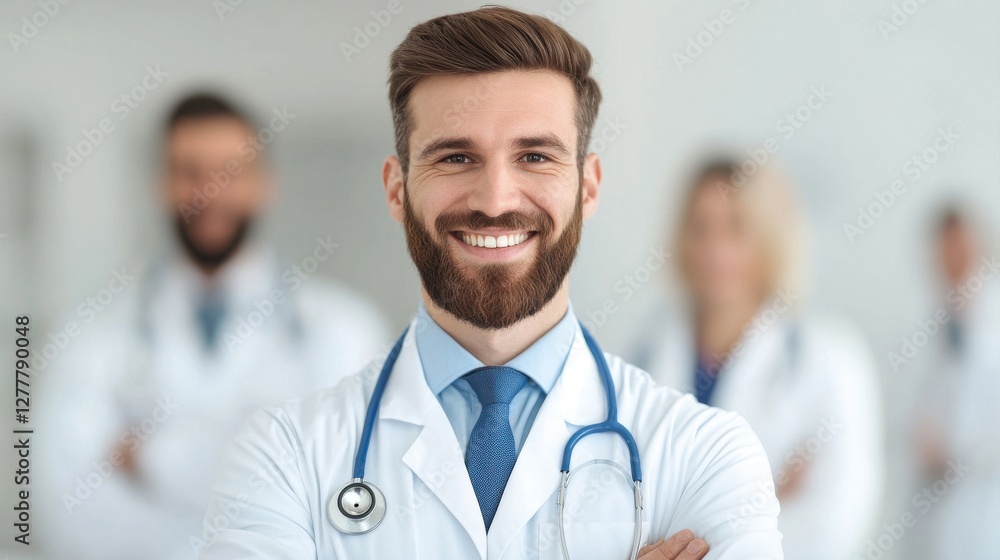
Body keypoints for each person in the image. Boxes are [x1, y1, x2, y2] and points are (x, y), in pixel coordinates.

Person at [198, 8, 783, 560]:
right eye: (455, 158)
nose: (496, 201)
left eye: (534, 156)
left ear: (589, 186)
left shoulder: (705, 453)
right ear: (398, 189)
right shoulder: (283, 456)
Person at [35, 93, 389, 560]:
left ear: (265, 185)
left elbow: (357, 502)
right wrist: (266, 473)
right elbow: (64, 514)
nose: (209, 191)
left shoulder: (344, 329)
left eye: (231, 172)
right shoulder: (89, 334)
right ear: (161, 184)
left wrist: (151, 457)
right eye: (189, 171)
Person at [628, 159, 883, 560]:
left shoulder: (829, 360)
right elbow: (618, 510)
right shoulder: (646, 353)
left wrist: (690, 535)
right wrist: (764, 503)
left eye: (736, 228)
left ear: (769, 240)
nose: (714, 249)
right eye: (700, 227)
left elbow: (835, 523)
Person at [914, 205, 1000, 560]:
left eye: (961, 246)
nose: (953, 258)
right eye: (945, 249)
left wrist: (956, 453)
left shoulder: (990, 319)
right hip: (946, 507)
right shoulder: (940, 323)